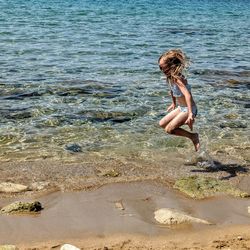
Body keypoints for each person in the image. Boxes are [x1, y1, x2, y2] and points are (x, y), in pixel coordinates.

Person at [158, 49, 200, 151]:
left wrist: (190, 114)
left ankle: (193, 136)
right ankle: (192, 136)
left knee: (169, 129)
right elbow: (172, 91)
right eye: (160, 68)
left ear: (171, 66)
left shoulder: (177, 78)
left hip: (189, 109)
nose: (161, 70)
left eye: (163, 67)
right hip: (181, 108)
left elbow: (187, 95)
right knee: (162, 124)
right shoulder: (170, 78)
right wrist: (173, 103)